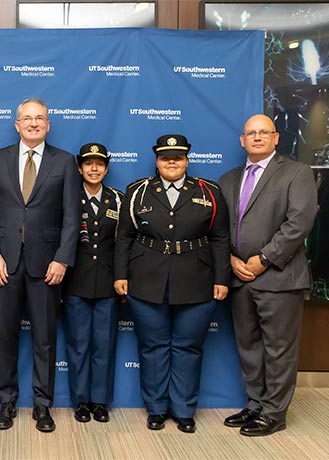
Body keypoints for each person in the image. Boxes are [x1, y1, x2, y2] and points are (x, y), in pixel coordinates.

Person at [114, 134, 230, 433]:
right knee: (152, 347)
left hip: (197, 280)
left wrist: (222, 278)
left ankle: (184, 409)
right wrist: (120, 275)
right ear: (157, 161)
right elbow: (124, 236)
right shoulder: (138, 191)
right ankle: (156, 408)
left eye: (178, 157)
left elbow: (220, 238)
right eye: (165, 157)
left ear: (187, 160)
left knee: (188, 348)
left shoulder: (209, 191)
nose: (172, 162)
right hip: (145, 280)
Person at [0, 97, 79, 433]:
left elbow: (71, 216)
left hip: (47, 265)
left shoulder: (64, 161)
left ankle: (42, 405)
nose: (33, 123)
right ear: (17, 125)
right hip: (4, 264)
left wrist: (62, 258)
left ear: (48, 125)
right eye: (27, 118)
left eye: (39, 118)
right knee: (5, 335)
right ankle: (7, 402)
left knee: (45, 338)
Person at [219, 114, 317, 436]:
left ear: (276, 138)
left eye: (264, 132)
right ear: (242, 140)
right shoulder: (227, 180)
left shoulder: (296, 172)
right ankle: (255, 404)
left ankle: (274, 413)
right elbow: (220, 229)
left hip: (279, 276)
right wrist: (231, 259)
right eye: (251, 133)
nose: (258, 137)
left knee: (279, 349)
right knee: (249, 346)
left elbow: (299, 222)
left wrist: (264, 259)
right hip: (239, 276)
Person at [62, 143, 123, 424]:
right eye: (88, 164)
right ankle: (81, 401)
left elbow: (123, 244)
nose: (94, 168)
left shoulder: (118, 200)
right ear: (79, 168)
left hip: (108, 284)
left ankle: (99, 401)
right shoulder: (68, 198)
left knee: (104, 345)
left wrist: (122, 278)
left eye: (99, 164)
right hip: (75, 283)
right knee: (79, 345)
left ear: (107, 168)